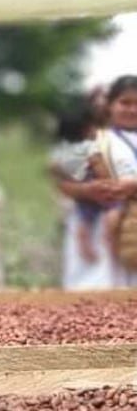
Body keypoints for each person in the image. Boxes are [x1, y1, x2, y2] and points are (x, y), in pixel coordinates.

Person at [58, 76, 137, 289]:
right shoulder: (95, 139)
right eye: (125, 103)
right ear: (110, 105)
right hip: (101, 224)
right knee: (98, 295)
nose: (132, 110)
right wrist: (87, 190)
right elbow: (64, 180)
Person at [49, 102, 117, 266]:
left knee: (84, 223)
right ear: (85, 129)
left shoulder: (60, 151)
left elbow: (55, 172)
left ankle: (85, 247)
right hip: (101, 196)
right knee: (112, 216)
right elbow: (104, 174)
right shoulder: (91, 150)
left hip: (80, 200)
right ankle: (109, 243)